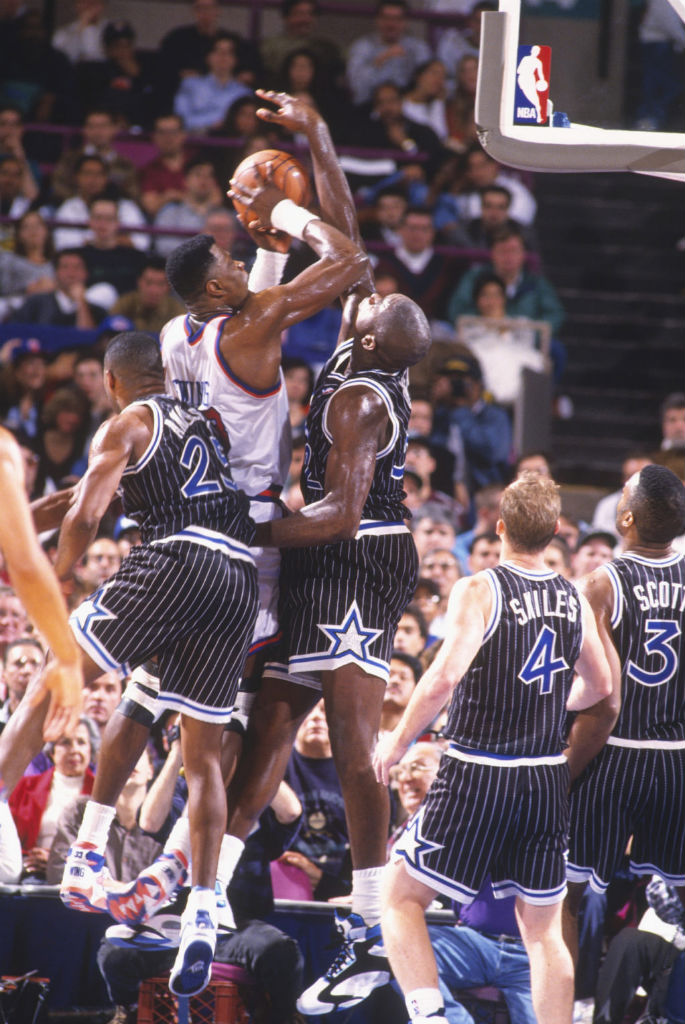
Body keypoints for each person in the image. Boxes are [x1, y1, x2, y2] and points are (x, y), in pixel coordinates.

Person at [51, 92, 369, 945]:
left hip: (179, 515)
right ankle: (196, 887)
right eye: (231, 255)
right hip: (249, 541)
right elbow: (349, 264)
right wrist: (291, 203)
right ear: (220, 285)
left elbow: (241, 286)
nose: (239, 254)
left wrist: (256, 233)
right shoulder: (255, 326)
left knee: (148, 698)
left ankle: (103, 853)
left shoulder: (179, 338)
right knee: (243, 721)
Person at [41, 331, 258, 999]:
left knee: (59, 667)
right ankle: (200, 905)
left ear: (111, 381)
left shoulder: (129, 420)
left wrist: (50, 579)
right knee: (198, 749)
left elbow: (84, 513)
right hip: (239, 578)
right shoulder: (205, 420)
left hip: (176, 556)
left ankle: (83, 857)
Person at [374, 471, 615, 1024]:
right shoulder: (573, 597)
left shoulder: (479, 588)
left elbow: (441, 679)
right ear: (555, 532)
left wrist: (396, 741)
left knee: (399, 898)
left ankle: (430, 1013)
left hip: (480, 768)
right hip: (545, 776)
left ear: (499, 527)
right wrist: (550, 703)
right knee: (544, 932)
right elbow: (601, 688)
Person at [564, 465, 685, 979]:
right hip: (676, 759)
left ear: (627, 517)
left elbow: (598, 694)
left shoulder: (602, 583)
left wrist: (565, 766)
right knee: (671, 898)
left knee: (566, 895)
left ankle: (562, 1007)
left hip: (613, 753)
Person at [8, 715, 97, 879]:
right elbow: (9, 839)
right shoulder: (24, 787)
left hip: (81, 877)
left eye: (81, 742)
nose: (75, 749)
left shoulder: (100, 793)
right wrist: (31, 858)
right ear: (51, 752)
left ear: (91, 750)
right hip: (30, 873)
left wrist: (56, 861)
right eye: (65, 742)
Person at [281, 699, 350, 901]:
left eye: (325, 709)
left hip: (342, 890)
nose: (316, 717)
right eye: (308, 708)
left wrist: (325, 882)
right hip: (285, 881)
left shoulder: (357, 771)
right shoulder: (276, 765)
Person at [345, 0, 432, 108]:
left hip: (408, 108)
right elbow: (357, 87)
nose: (391, 24)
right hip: (369, 106)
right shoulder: (362, 47)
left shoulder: (418, 48)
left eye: (397, 19)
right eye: (386, 18)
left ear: (405, 22)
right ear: (377, 20)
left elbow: (428, 85)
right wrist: (380, 60)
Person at [173, 32, 253, 132]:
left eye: (228, 52)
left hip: (230, 142)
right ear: (208, 57)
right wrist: (212, 124)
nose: (223, 56)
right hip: (194, 141)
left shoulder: (244, 92)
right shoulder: (190, 84)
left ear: (235, 59)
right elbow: (180, 120)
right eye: (218, 51)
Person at [152, 159, 224, 258]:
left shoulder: (223, 216)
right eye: (198, 175)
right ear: (185, 181)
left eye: (209, 176)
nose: (204, 180)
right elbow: (164, 247)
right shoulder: (170, 212)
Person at [111, 257, 185, 336]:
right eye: (149, 283)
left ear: (168, 287)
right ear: (139, 282)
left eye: (160, 284)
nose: (154, 290)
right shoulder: (124, 304)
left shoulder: (177, 313)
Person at [0, 636, 44, 734]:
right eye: (19, 664)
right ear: (3, 674)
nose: (27, 670)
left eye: (35, 664)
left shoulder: (57, 722)